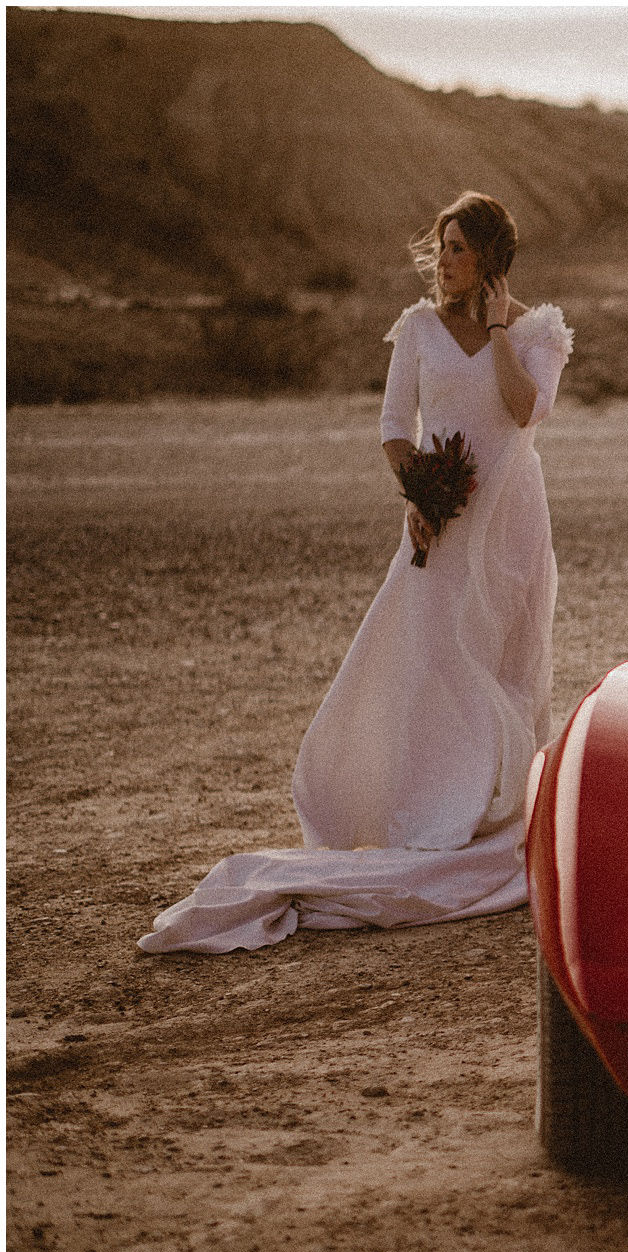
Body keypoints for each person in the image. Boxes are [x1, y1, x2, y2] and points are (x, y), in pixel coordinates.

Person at [140, 192, 573, 954]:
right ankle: (430, 806)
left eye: (459, 249)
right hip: (441, 520)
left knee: (503, 664)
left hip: (512, 527)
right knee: (432, 654)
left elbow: (525, 411)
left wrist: (500, 327)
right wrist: (418, 493)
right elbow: (392, 427)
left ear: (491, 259)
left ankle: (494, 807)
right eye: (440, 247)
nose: (443, 261)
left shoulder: (538, 331)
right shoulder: (416, 329)